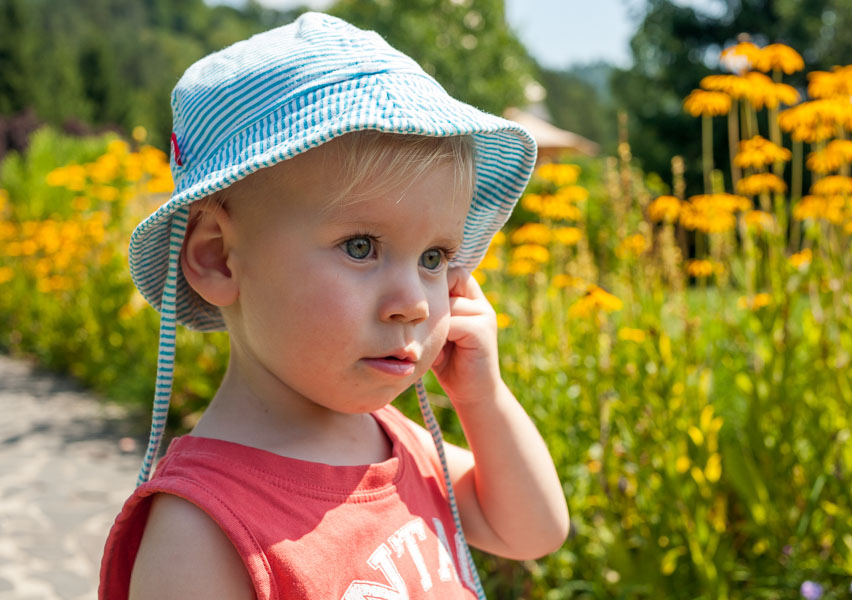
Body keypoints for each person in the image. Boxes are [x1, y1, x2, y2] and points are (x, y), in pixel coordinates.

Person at [100, 12, 568, 599]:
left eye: (434, 257)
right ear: (218, 257)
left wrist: (483, 397)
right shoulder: (200, 532)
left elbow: (532, 531)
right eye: (361, 246)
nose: (414, 304)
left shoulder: (396, 441)